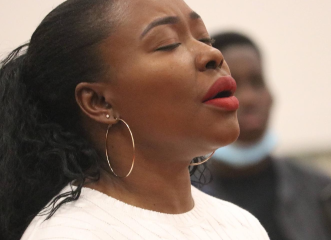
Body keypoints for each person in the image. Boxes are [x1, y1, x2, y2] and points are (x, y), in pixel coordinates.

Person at [0, 1, 270, 240]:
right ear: (99, 102)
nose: (213, 55)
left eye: (205, 39)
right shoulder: (69, 234)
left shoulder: (241, 225)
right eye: (167, 43)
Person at [199, 31, 331, 240]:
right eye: (231, 87)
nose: (249, 98)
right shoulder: (181, 198)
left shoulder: (323, 193)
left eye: (257, 82)